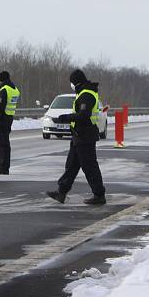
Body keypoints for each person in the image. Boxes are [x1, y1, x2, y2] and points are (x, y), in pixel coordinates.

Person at [46, 69, 106, 205]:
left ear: (77, 82)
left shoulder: (86, 95)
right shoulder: (83, 93)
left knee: (90, 167)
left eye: (72, 83)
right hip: (79, 136)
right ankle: (61, 192)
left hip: (85, 136)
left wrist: (66, 118)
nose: (71, 86)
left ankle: (99, 195)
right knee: (71, 166)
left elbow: (83, 115)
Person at [0, 71, 20, 175]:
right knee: (5, 144)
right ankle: (5, 167)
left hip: (2, 119)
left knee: (2, 144)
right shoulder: (15, 89)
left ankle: (2, 168)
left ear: (2, 78)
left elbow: (0, 107)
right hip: (9, 117)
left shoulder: (4, 90)